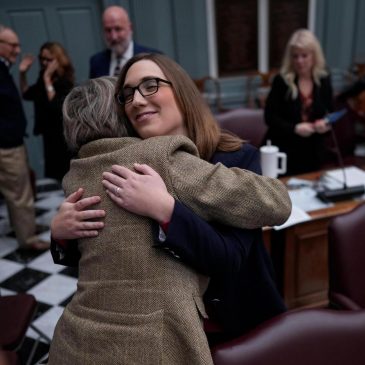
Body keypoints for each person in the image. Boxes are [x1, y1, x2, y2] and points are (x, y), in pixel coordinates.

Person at [48, 76, 290, 364]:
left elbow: (231, 256)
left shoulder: (76, 174)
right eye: (129, 95)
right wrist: (59, 233)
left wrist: (167, 209)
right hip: (159, 338)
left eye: (151, 87)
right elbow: (105, 252)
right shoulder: (155, 156)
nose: (138, 100)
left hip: (230, 317)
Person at [0, 24, 49, 251]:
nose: (18, 49)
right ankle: (28, 240)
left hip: (12, 142)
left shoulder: (5, 68)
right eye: (13, 45)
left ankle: (22, 228)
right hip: (7, 146)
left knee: (16, 191)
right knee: (20, 194)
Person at [264, 28, 334, 175]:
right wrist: (295, 128)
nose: (299, 61)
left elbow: (330, 112)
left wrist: (325, 124)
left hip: (313, 152)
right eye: (295, 56)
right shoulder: (281, 81)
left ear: (314, 56)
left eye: (304, 55)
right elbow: (269, 117)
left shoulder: (324, 79)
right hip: (285, 152)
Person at [19, 42, 75, 181]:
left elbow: (56, 106)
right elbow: (27, 94)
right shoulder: (43, 77)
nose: (44, 63)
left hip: (62, 135)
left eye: (48, 59)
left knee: (66, 172)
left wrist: (47, 81)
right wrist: (23, 73)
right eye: (42, 59)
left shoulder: (64, 80)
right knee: (56, 174)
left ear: (58, 59)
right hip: (48, 134)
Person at [89, 5, 161, 78]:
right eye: (108, 30)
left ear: (130, 28)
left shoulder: (152, 57)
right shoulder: (96, 61)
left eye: (118, 29)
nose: (114, 37)